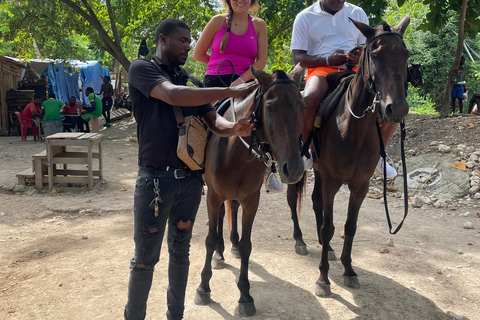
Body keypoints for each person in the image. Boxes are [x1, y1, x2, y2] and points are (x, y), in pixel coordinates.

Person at [124, 18, 257, 320]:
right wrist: (230, 92)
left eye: (189, 40)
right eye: (182, 40)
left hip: (190, 183)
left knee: (181, 255)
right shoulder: (141, 69)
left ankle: (176, 316)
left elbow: (215, 123)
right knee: (144, 260)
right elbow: (171, 94)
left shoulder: (192, 81)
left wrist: (235, 128)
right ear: (162, 40)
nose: (188, 45)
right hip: (155, 182)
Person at [291, 0, 397, 179]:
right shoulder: (305, 17)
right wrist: (327, 60)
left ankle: (378, 154)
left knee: (392, 102)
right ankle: (306, 149)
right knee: (309, 99)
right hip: (322, 70)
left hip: (356, 70)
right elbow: (298, 57)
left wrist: (359, 57)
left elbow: (368, 48)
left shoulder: (358, 13)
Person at [193, 0, 282, 192]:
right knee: (202, 121)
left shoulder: (259, 24)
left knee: (267, 117)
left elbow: (261, 61)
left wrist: (241, 81)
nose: (240, 0)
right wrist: (217, 65)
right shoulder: (217, 21)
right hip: (215, 83)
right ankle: (196, 168)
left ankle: (270, 169)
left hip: (247, 82)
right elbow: (198, 54)